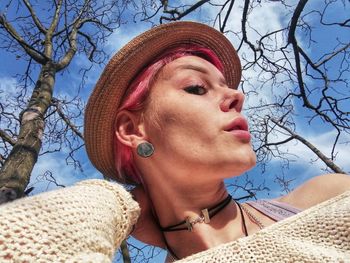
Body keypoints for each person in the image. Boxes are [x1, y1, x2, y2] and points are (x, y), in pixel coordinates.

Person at [84, 21, 350, 261]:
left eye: (227, 86)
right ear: (132, 129)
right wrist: (115, 208)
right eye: (196, 87)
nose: (237, 96)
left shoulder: (327, 197)